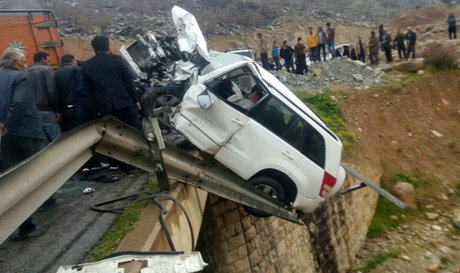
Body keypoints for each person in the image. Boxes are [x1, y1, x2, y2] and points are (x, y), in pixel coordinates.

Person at [0, 47, 46, 240]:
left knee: (15, 177)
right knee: (37, 171)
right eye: (23, 62)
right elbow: (20, 104)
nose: (26, 65)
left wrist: (4, 126)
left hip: (6, 135)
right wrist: (9, 124)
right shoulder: (22, 78)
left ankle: (24, 221)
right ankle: (42, 205)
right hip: (25, 131)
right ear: (14, 63)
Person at [82, 36, 141, 129]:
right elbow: (128, 82)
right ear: (108, 46)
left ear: (93, 48)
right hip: (125, 104)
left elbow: (89, 91)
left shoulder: (87, 65)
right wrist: (135, 100)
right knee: (135, 133)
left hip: (106, 108)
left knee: (115, 136)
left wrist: (96, 109)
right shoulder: (117, 59)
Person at [28, 51, 62, 143]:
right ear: (42, 59)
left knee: (44, 140)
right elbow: (52, 91)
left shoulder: (27, 71)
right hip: (47, 110)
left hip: (34, 111)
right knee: (57, 139)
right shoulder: (47, 70)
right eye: (48, 60)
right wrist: (57, 110)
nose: (49, 63)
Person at [55, 54, 82, 131]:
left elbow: (54, 92)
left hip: (64, 107)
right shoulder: (79, 69)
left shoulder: (56, 73)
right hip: (79, 105)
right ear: (73, 61)